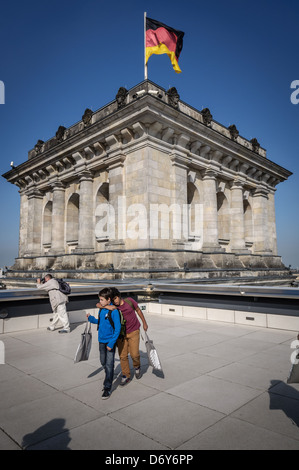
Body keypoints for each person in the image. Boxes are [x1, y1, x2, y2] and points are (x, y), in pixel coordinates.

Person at [107, 288, 148, 386]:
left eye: (115, 298)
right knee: (123, 356)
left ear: (119, 296)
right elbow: (99, 304)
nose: (115, 301)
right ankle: (126, 375)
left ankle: (137, 366)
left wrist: (144, 323)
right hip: (122, 335)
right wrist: (108, 306)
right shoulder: (113, 307)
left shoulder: (129, 301)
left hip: (134, 331)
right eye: (112, 300)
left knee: (134, 354)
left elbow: (138, 310)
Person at [86, 288, 121, 399]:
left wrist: (111, 343)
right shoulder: (102, 310)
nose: (100, 302)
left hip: (110, 342)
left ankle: (107, 387)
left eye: (102, 299)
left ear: (108, 299)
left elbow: (118, 329)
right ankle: (109, 375)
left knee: (109, 364)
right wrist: (91, 318)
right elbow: (100, 321)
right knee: (103, 362)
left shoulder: (114, 311)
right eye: (99, 299)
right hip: (101, 341)